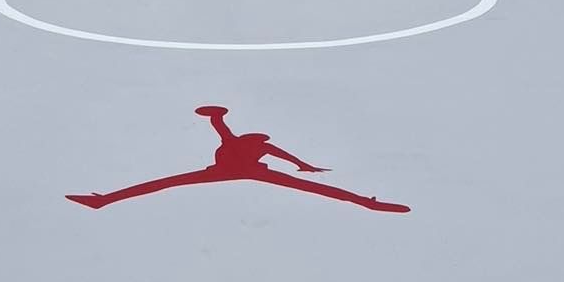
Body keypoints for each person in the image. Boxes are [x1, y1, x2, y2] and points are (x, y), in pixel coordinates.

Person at [67, 105, 409, 213]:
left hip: (239, 171)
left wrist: (301, 165)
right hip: (227, 171)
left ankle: (367, 203)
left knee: (165, 183)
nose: (261, 140)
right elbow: (222, 124)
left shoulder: (255, 147)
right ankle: (104, 200)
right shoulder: (248, 144)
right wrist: (300, 165)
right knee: (165, 183)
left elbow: (282, 153)